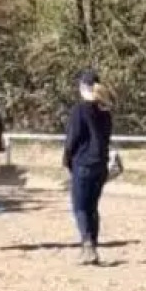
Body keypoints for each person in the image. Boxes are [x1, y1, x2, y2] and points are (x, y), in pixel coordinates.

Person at [61, 68, 114, 265]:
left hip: (83, 163)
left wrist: (66, 157)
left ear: (83, 88)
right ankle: (92, 247)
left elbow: (72, 138)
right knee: (93, 208)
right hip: (101, 164)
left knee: (80, 208)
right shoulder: (105, 112)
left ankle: (87, 245)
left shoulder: (79, 110)